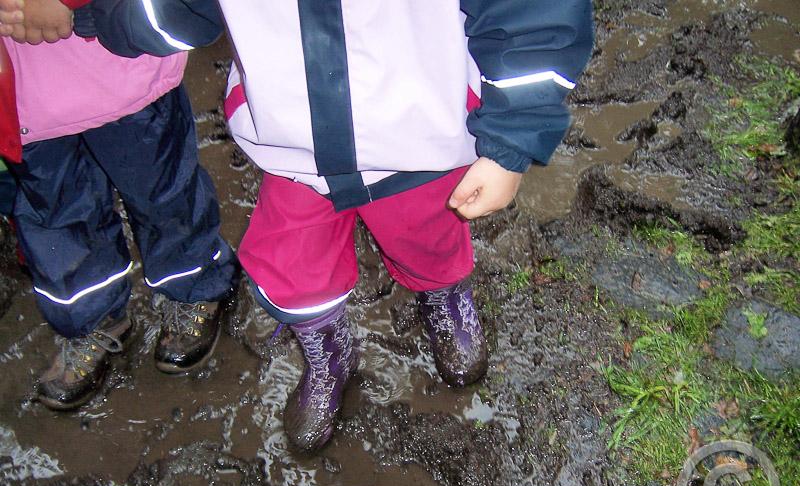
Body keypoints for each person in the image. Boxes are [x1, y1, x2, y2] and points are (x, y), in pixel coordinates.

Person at [27, 0, 594, 449]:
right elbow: (180, 6)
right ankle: (328, 347)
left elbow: (530, 12)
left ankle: (443, 298)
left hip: (419, 131)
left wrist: (513, 139)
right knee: (292, 268)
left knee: (430, 238)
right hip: (294, 144)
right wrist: (88, 15)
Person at [0, 0, 237, 410]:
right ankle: (91, 319)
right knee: (58, 219)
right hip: (27, 101)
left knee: (164, 195)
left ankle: (195, 285)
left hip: (121, 66)